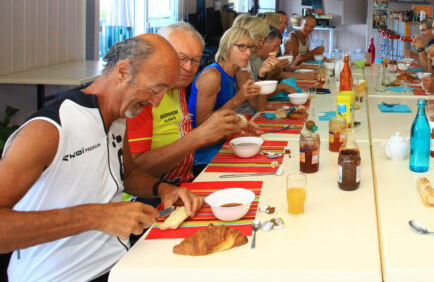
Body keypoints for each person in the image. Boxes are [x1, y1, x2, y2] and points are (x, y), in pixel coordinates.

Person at [0, 35, 202, 282]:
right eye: (155, 89)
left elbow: (128, 175)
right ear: (123, 71)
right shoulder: (49, 130)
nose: (157, 101)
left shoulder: (118, 119)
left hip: (119, 264)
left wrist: (162, 189)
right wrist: (97, 216)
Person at [127, 23, 260, 185]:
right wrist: (198, 137)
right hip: (156, 193)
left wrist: (230, 130)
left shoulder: (178, 88)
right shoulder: (141, 96)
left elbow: (191, 137)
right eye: (181, 58)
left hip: (184, 180)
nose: (188, 67)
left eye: (195, 60)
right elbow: (133, 172)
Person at [188, 26, 264, 166]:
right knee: (251, 164)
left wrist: (263, 77)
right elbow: (202, 123)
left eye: (250, 48)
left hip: (221, 139)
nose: (248, 53)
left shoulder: (239, 72)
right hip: (201, 150)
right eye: (242, 47)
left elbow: (258, 106)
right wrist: (238, 99)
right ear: (227, 46)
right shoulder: (211, 76)